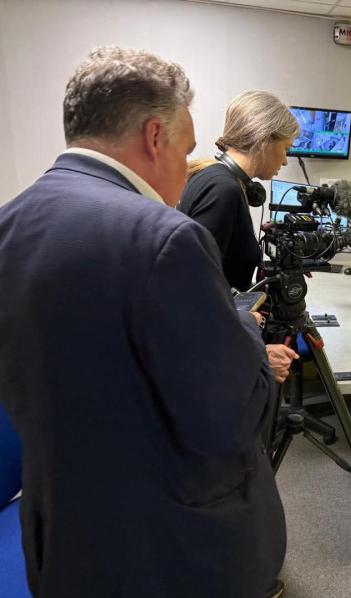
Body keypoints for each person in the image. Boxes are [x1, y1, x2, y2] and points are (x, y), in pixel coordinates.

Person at [0, 47, 286, 597]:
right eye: (187, 149)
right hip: (164, 548)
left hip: (60, 535)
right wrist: (245, 325)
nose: (187, 167)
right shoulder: (165, 239)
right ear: (156, 136)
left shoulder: (12, 221)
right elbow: (228, 417)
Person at [177, 90, 299, 292]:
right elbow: (192, 281)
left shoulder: (212, 175)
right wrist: (243, 317)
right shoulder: (224, 189)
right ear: (265, 140)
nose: (285, 160)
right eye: (286, 148)